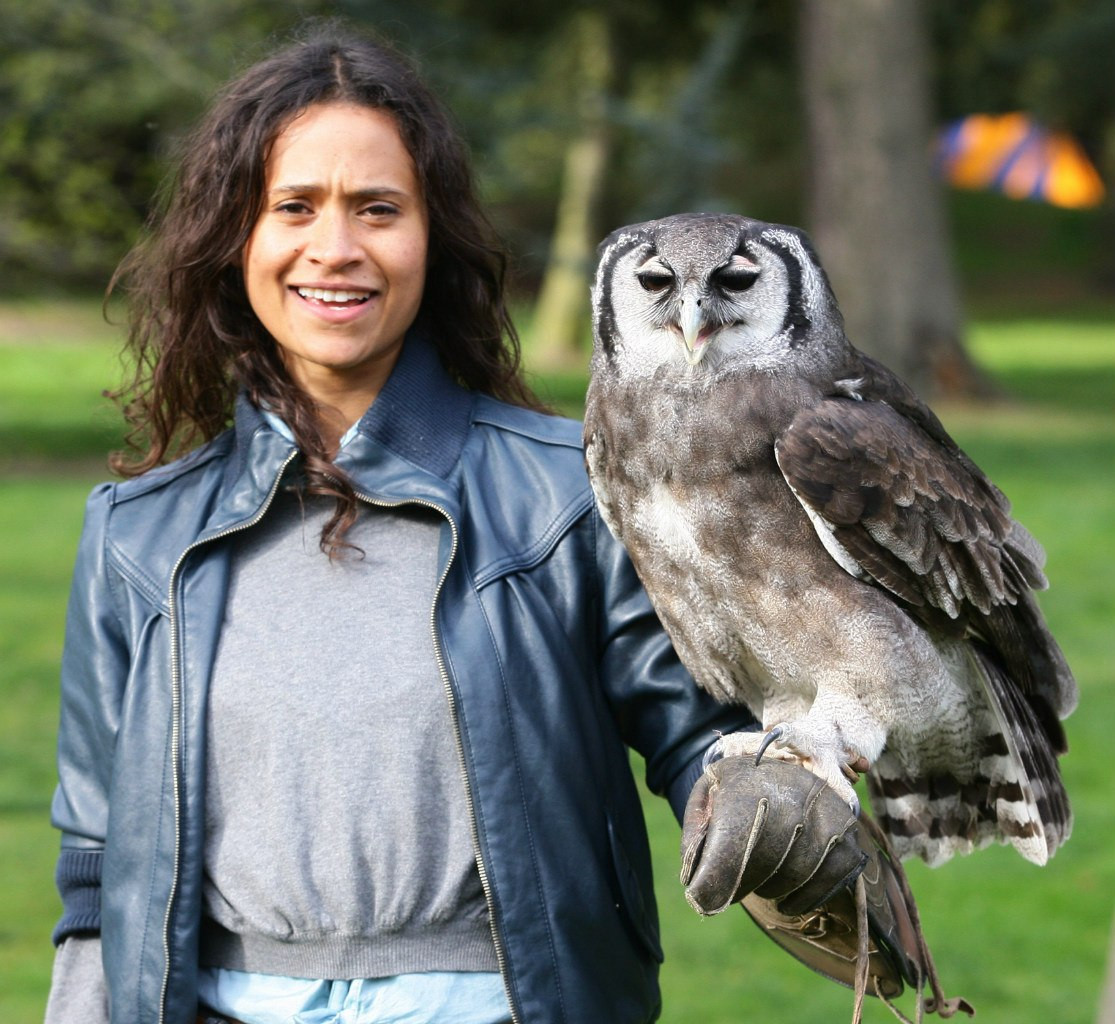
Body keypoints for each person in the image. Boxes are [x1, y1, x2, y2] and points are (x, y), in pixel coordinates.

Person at [45, 23, 867, 1024]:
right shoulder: (137, 534)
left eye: (378, 209)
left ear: (432, 238)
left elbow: (704, 730)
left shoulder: (570, 495)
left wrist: (769, 794)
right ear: (235, 240)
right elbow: (94, 853)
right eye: (293, 207)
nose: (334, 247)